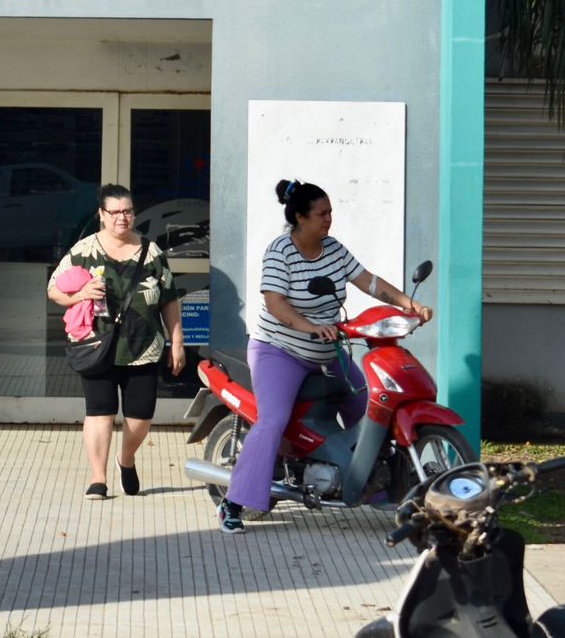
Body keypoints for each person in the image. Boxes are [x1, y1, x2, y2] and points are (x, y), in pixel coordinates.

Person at [217, 178, 434, 534]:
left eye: (330, 212)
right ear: (300, 218)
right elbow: (276, 304)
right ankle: (234, 502)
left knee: (369, 405)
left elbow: (369, 282)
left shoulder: (333, 249)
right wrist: (310, 326)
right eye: (321, 214)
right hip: (280, 351)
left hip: (327, 351)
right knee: (272, 420)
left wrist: (409, 304)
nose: (329, 219)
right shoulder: (280, 252)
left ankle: (371, 481)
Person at [47, 183, 185, 500]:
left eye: (128, 211)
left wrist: (177, 341)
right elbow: (54, 289)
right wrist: (80, 294)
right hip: (97, 344)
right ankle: (98, 477)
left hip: (144, 346)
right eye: (115, 212)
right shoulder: (83, 251)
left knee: (141, 418)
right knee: (100, 411)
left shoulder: (152, 252)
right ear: (101, 214)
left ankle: (126, 459)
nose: (122, 217)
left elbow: (169, 299)